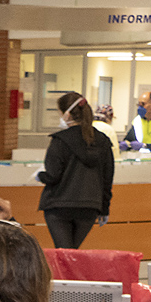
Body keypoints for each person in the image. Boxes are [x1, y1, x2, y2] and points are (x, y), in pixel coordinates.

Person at [37, 91, 114, 251]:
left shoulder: (60, 141)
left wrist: (40, 176)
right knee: (71, 253)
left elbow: (53, 175)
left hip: (59, 205)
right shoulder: (103, 142)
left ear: (66, 114)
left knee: (64, 253)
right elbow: (107, 179)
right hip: (90, 206)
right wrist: (104, 208)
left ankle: (62, 276)